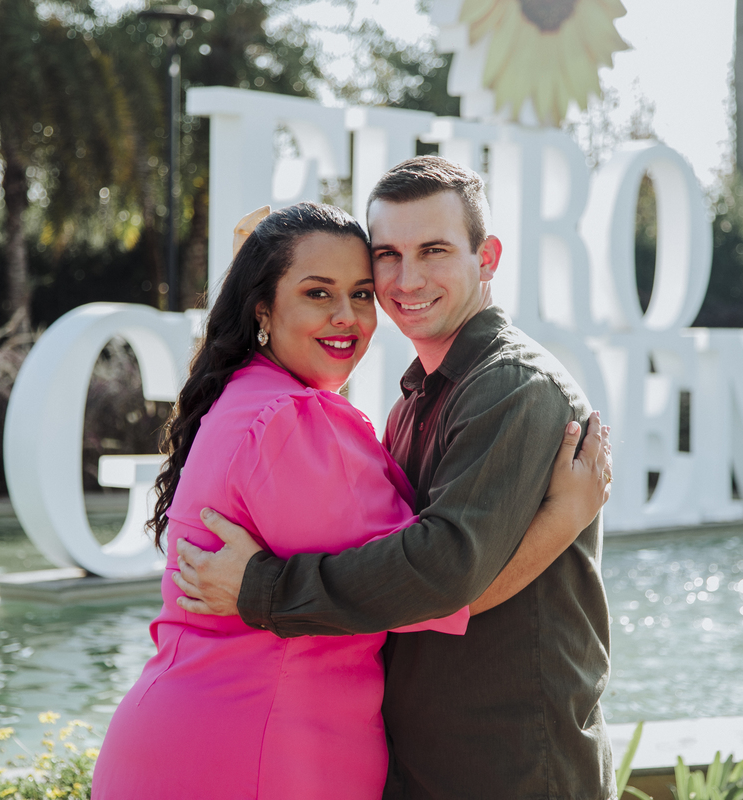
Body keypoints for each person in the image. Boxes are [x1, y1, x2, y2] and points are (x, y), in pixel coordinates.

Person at [90, 202, 613, 799]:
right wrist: (565, 517)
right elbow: (440, 582)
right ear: (263, 309)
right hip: (256, 750)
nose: (346, 316)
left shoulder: (246, 398)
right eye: (318, 293)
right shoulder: (293, 420)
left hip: (203, 738)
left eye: (361, 294)